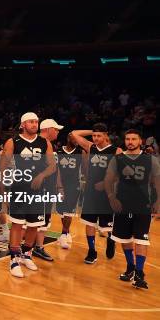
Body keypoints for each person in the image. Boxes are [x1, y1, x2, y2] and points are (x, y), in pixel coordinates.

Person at [1, 112, 56, 278]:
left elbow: (52, 166)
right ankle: (14, 259)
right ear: (23, 124)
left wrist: (41, 175)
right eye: (31, 122)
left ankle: (26, 254)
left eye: (36, 122)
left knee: (34, 225)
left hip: (38, 190)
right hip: (19, 188)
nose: (34, 124)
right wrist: (2, 187)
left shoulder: (44, 142)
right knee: (17, 225)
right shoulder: (13, 142)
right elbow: (3, 166)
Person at [104, 129, 160, 289]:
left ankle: (140, 273)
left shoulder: (150, 160)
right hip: (122, 205)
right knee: (124, 239)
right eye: (128, 139)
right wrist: (111, 197)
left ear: (140, 141)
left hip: (143, 205)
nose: (130, 142)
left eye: (134, 139)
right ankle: (130, 268)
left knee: (141, 239)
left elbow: (157, 181)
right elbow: (108, 179)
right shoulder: (118, 159)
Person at [70, 123, 120, 264]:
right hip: (91, 192)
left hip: (107, 193)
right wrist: (92, 131)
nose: (96, 138)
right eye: (94, 135)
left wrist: (105, 183)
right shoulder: (90, 147)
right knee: (89, 223)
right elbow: (74, 133)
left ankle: (111, 239)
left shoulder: (116, 150)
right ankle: (92, 251)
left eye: (99, 135)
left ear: (106, 135)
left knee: (108, 224)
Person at [32, 119, 64, 262]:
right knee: (33, 220)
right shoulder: (37, 144)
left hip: (49, 188)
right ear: (48, 129)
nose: (57, 132)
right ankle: (26, 248)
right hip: (39, 188)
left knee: (44, 219)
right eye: (56, 129)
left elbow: (55, 169)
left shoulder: (50, 146)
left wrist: (59, 187)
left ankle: (37, 247)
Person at [55, 134, 83, 249]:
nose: (76, 141)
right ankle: (66, 232)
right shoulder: (58, 152)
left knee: (69, 210)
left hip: (74, 185)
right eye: (74, 139)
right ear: (68, 138)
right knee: (62, 211)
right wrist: (59, 186)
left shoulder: (80, 152)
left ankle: (63, 234)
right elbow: (56, 170)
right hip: (60, 184)